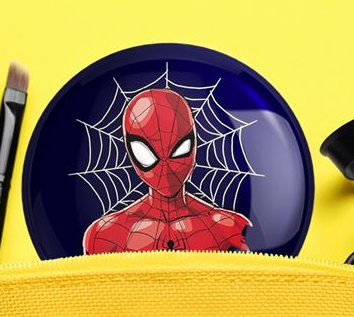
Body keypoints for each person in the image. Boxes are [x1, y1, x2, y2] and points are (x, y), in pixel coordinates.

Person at [83, 88, 250, 253]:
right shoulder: (104, 235)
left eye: (180, 149)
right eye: (144, 153)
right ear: (129, 150)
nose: (166, 165)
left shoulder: (228, 228)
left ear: (194, 144)